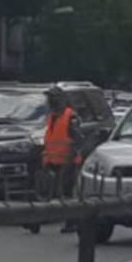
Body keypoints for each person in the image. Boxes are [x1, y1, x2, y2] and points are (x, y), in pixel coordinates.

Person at [42, 86, 83, 232]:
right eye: (49, 98)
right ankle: (39, 219)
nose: (49, 101)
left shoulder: (70, 116)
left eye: (52, 98)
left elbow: (77, 140)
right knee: (48, 191)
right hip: (52, 159)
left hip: (68, 161)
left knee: (66, 193)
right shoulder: (51, 116)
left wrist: (69, 161)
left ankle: (71, 222)